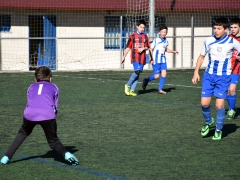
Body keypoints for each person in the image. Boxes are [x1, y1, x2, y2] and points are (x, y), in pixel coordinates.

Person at [0, 66, 79, 165]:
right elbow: (55, 107)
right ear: (50, 78)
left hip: (30, 113)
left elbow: (30, 102)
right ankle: (66, 154)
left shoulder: (31, 87)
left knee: (23, 133)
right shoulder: (54, 87)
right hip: (47, 114)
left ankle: (6, 157)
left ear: (35, 79)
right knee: (53, 141)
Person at [192, 17, 240, 140]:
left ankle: (218, 130)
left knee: (219, 106)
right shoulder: (208, 41)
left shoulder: (232, 42)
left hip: (224, 78)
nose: (216, 31)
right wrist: (196, 72)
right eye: (214, 28)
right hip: (209, 76)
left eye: (219, 28)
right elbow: (201, 56)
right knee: (204, 104)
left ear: (225, 29)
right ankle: (209, 121)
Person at [142, 25, 179, 94]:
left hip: (163, 60)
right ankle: (146, 80)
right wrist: (151, 59)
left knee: (164, 74)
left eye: (165, 32)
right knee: (156, 76)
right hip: (156, 60)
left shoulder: (166, 41)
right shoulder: (156, 40)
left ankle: (160, 89)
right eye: (162, 32)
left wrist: (173, 51)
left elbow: (165, 49)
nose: (163, 33)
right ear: (159, 32)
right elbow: (150, 49)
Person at [121, 19, 153, 96]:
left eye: (144, 27)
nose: (142, 29)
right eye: (141, 27)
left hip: (142, 58)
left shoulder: (145, 36)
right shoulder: (132, 36)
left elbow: (149, 47)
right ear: (137, 27)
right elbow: (128, 47)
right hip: (134, 57)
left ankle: (132, 90)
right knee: (137, 71)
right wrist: (123, 57)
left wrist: (151, 57)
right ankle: (127, 85)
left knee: (138, 74)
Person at [226, 17, 240, 120]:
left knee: (232, 89)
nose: (233, 29)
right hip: (227, 68)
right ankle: (232, 108)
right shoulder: (228, 38)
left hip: (237, 69)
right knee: (227, 90)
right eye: (231, 27)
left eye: (235, 27)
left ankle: (231, 109)